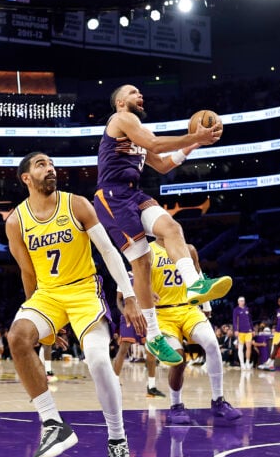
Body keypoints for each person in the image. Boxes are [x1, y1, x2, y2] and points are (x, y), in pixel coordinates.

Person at [6, 152, 146, 457]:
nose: (50, 168)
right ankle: (53, 424)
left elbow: (109, 252)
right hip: (47, 296)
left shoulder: (77, 204)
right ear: (26, 178)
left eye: (52, 163)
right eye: (41, 165)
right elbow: (28, 274)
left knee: (98, 360)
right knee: (17, 336)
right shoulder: (16, 221)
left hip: (84, 290)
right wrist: (41, 326)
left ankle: (117, 439)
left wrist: (128, 294)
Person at [93, 84, 229, 366]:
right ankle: (153, 334)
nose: (139, 95)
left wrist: (194, 144)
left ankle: (194, 285)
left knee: (172, 229)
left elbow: (163, 165)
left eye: (140, 92)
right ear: (120, 102)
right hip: (112, 196)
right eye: (133, 92)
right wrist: (195, 134)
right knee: (142, 263)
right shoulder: (122, 120)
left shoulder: (138, 131)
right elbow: (154, 144)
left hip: (134, 193)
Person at [148, 238, 240, 424]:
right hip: (162, 313)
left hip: (188, 309)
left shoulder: (188, 249)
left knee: (212, 343)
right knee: (178, 359)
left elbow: (198, 277)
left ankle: (218, 401)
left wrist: (205, 304)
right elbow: (140, 279)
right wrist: (146, 292)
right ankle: (176, 405)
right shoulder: (148, 251)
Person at [112, 280, 164, 397]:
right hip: (129, 317)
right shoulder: (125, 276)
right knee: (123, 348)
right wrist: (124, 312)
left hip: (146, 317)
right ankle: (114, 381)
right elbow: (119, 299)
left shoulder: (149, 275)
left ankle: (151, 386)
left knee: (151, 350)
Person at [232, 297, 253, 369]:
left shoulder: (247, 309)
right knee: (240, 348)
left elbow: (250, 320)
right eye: (241, 301)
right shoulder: (236, 310)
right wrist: (235, 330)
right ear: (238, 302)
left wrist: (252, 329)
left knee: (249, 347)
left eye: (243, 301)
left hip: (248, 331)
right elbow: (234, 321)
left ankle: (247, 362)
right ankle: (242, 363)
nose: (242, 302)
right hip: (240, 332)